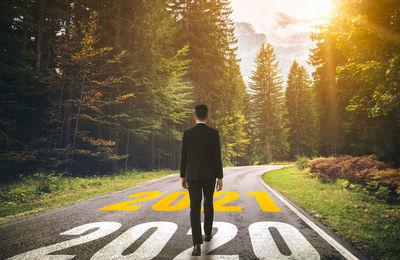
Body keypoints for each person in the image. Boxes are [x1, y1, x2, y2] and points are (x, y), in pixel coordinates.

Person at [180, 104, 223, 256]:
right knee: (209, 203)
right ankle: (208, 233)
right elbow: (217, 156)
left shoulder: (188, 133)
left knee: (194, 208)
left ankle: (196, 245)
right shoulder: (213, 133)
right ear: (207, 116)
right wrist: (220, 177)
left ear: (195, 117)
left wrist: (183, 176)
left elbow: (183, 156)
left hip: (192, 175)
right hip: (210, 175)